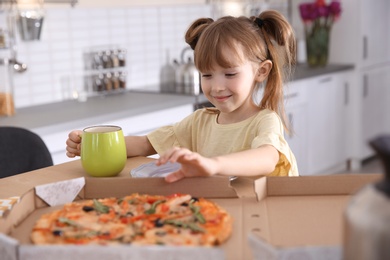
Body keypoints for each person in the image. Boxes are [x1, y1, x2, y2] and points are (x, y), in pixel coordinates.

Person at [66, 10, 299, 182]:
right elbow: (145, 144)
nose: (217, 87)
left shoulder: (264, 121)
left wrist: (212, 165)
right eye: (207, 75)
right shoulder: (199, 122)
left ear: (261, 71)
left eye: (229, 74)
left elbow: (267, 158)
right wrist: (90, 146)